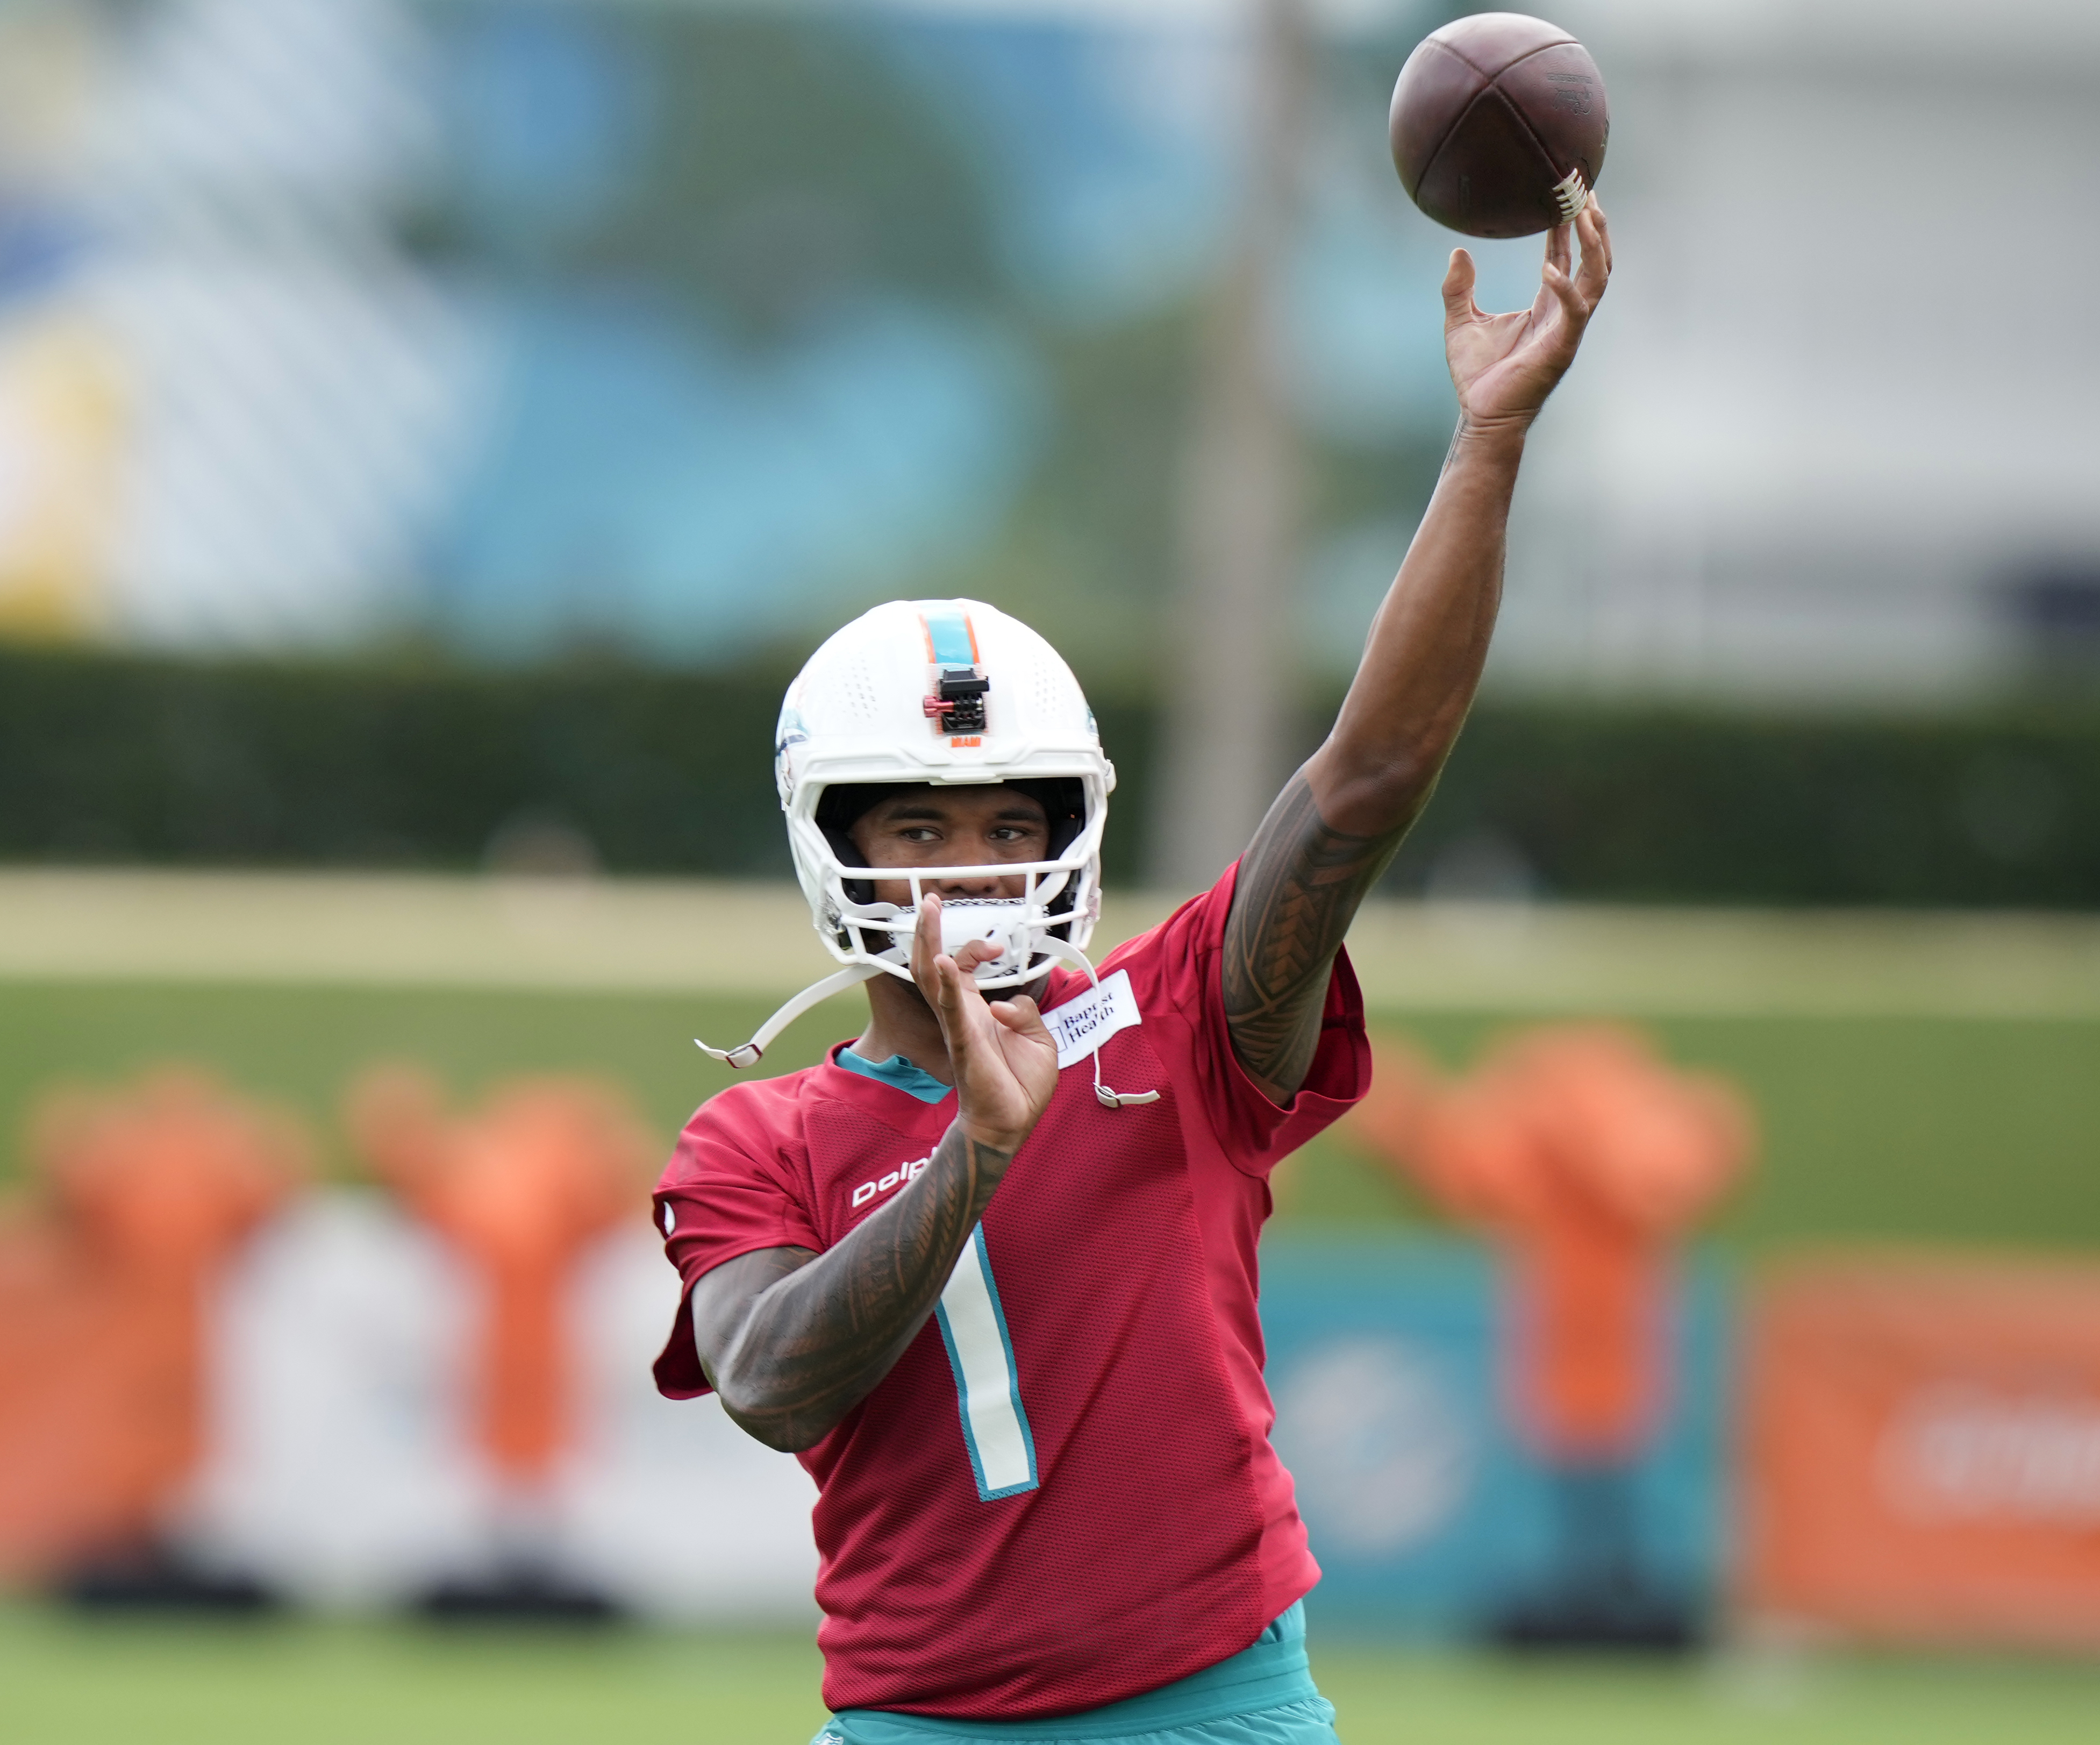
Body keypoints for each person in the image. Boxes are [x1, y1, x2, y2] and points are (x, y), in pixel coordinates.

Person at [652, 202, 1611, 1742]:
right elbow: (770, 1384)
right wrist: (976, 1150)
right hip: (918, 1725)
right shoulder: (756, 1141)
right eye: (916, 824)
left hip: (1213, 1709)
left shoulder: (1177, 1016)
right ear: (835, 843)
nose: (970, 866)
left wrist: (1484, 445)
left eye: (1007, 821)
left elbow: (1363, 780)